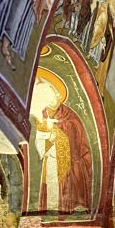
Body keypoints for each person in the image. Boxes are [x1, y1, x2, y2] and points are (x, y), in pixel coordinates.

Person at [31, 73, 93, 215]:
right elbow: (38, 140)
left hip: (67, 158)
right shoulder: (41, 115)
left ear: (57, 93)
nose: (51, 97)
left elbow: (75, 132)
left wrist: (56, 133)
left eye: (52, 92)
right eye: (46, 94)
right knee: (51, 185)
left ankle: (68, 207)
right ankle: (50, 209)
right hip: (50, 158)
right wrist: (48, 138)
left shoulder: (69, 114)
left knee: (66, 183)